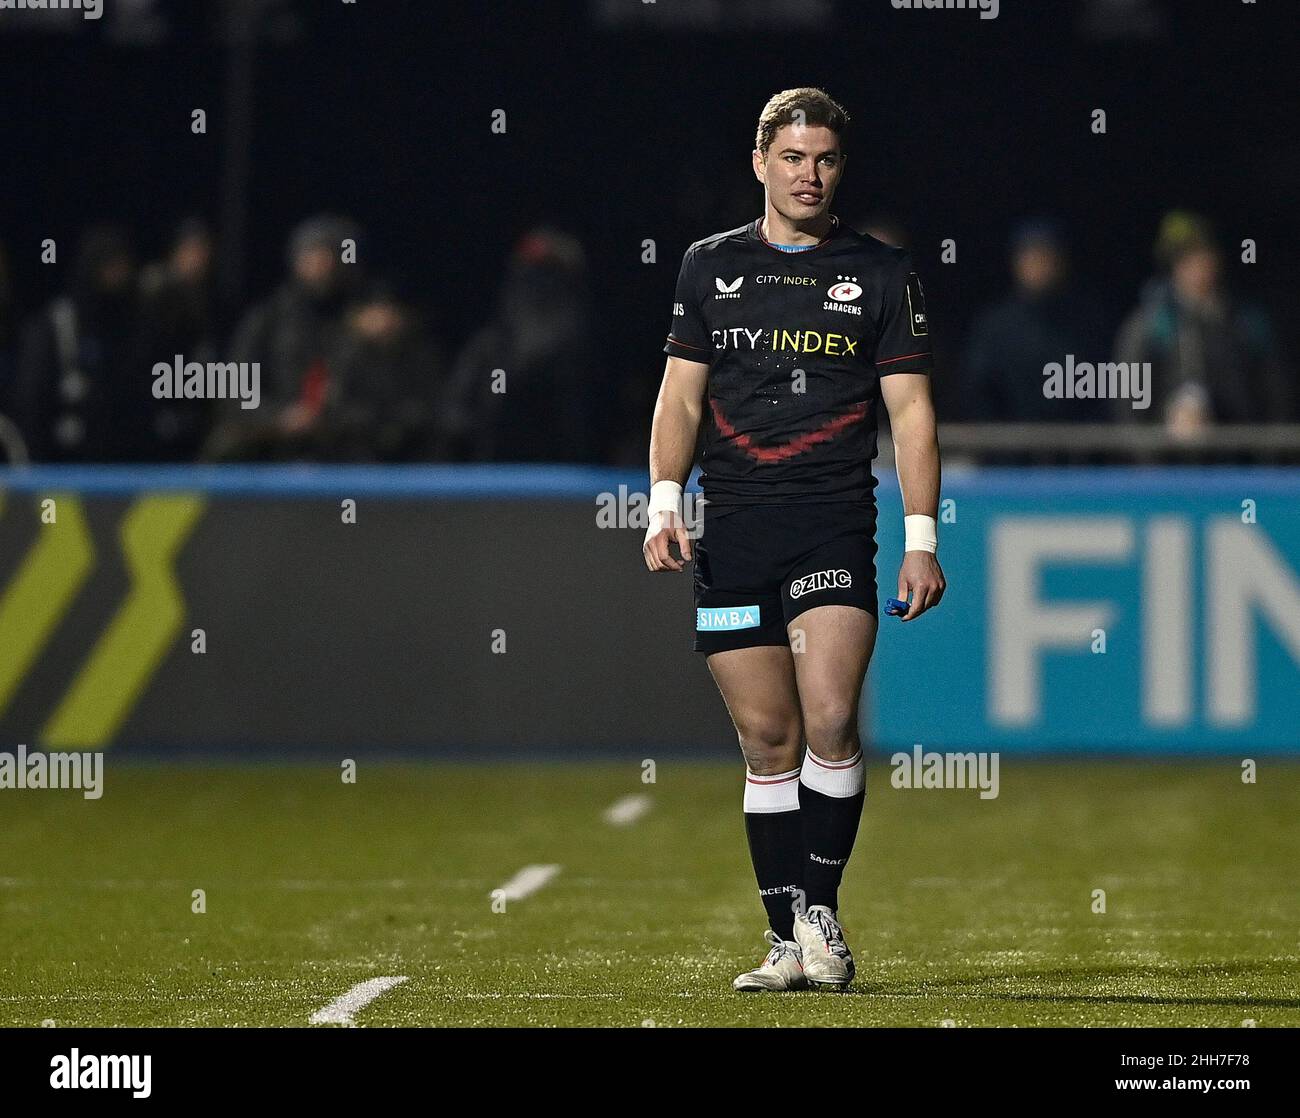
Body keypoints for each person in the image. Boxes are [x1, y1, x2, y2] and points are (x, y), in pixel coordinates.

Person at [643, 88, 946, 992]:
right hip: (733, 530)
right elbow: (681, 398)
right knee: (769, 742)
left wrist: (921, 539)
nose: (809, 175)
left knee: (830, 719)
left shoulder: (885, 274)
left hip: (832, 525)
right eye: (793, 158)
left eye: (825, 160)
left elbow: (914, 415)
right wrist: (664, 500)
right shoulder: (707, 267)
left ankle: (822, 912)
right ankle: (784, 941)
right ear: (760, 163)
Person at [1114, 211, 1291, 433]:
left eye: (1205, 256)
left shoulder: (1246, 321)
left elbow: (1276, 392)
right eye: (1188, 259)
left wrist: (1268, 456)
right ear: (1174, 265)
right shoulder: (1149, 325)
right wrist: (1148, 459)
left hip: (1240, 456)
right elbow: (1127, 401)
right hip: (1168, 460)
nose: (1199, 267)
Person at [961, 219, 1111, 421]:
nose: (1039, 265)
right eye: (1030, 257)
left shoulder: (1088, 322)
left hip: (1076, 444)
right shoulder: (995, 326)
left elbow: (1102, 389)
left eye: (1046, 257)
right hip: (1008, 446)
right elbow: (979, 393)